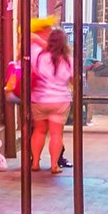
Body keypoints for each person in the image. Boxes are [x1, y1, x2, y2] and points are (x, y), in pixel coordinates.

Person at [29, 22, 77, 173]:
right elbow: (73, 80)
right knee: (56, 134)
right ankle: (55, 165)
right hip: (60, 100)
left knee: (39, 131)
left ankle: (35, 163)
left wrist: (42, 42)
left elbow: (30, 37)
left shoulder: (39, 56)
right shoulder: (69, 60)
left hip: (40, 99)